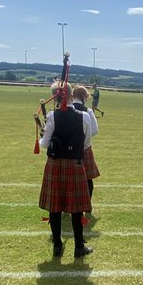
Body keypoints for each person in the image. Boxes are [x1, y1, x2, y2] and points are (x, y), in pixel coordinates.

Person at [36, 80, 93, 258]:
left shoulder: (52, 116)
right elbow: (86, 143)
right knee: (76, 209)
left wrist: (43, 136)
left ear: (55, 96)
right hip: (75, 164)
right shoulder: (84, 116)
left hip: (55, 165)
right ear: (71, 94)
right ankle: (78, 247)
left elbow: (44, 144)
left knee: (55, 207)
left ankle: (58, 246)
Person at [71, 85, 100, 208]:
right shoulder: (88, 111)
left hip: (69, 150)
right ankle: (87, 206)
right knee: (88, 179)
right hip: (85, 149)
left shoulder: (66, 109)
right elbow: (94, 130)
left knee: (70, 180)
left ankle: (70, 205)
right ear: (84, 97)